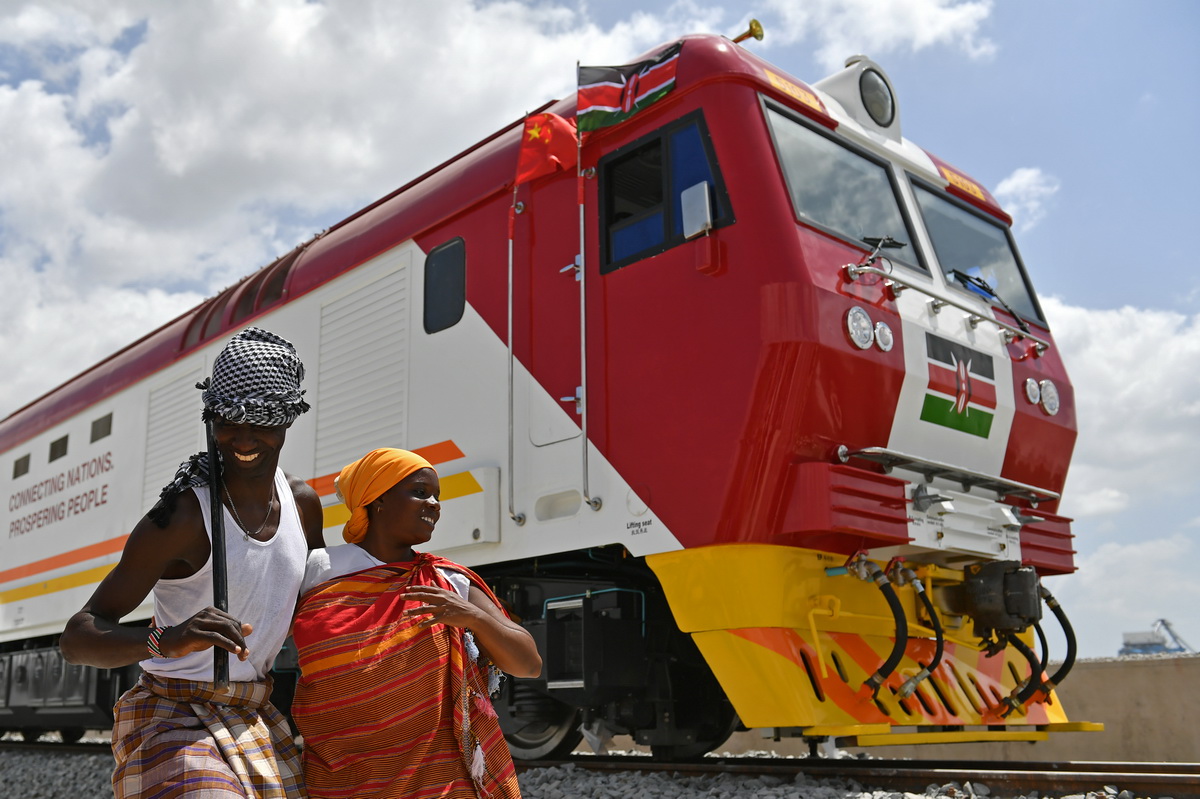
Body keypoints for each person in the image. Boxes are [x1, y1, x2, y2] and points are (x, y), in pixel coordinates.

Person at [60, 327, 325, 799]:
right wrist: (171, 639)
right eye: (227, 420)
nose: (243, 437)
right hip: (173, 714)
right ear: (210, 419)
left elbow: (322, 608)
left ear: (287, 419)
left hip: (253, 713)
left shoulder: (302, 505)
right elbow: (78, 638)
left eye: (261, 420)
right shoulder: (182, 517)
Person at [291, 448, 542, 799]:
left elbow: (528, 664)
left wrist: (473, 616)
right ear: (377, 500)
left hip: (440, 779)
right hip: (341, 777)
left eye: (437, 496)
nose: (435, 504)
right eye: (421, 493)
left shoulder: (447, 579)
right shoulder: (319, 569)